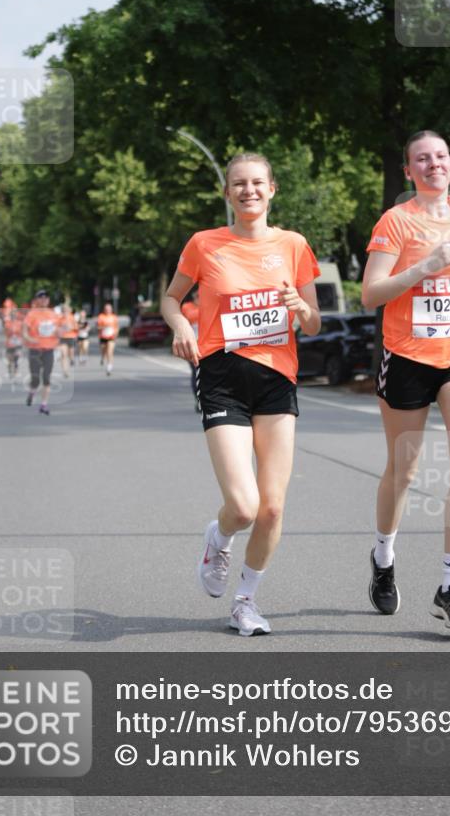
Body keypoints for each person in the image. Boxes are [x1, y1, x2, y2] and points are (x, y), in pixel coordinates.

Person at [161, 153, 321, 637]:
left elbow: (313, 324)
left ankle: (245, 602)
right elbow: (170, 298)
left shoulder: (293, 245)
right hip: (222, 377)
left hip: (277, 378)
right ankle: (220, 536)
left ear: (272, 189)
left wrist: (299, 307)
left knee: (273, 507)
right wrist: (180, 325)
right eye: (238, 184)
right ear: (227, 193)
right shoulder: (204, 244)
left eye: (257, 183)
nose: (248, 190)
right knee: (245, 506)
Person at [362, 130, 450, 631]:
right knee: (405, 469)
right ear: (409, 171)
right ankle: (382, 558)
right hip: (407, 356)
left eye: (440, 155)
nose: (433, 163)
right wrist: (424, 267)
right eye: (422, 158)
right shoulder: (395, 222)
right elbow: (371, 294)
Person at [23, 289, 60, 415]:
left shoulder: (53, 314)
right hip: (35, 350)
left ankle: (43, 405)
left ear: (49, 300)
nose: (44, 299)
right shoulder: (32, 314)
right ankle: (32, 393)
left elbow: (58, 330)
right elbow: (24, 332)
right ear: (37, 300)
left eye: (46, 297)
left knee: (46, 378)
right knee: (35, 379)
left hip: (48, 350)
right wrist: (30, 339)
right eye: (41, 297)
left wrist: (60, 333)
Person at [180, 289, 201, 412]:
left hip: (208, 346)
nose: (198, 297)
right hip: (191, 346)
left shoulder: (208, 305)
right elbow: (181, 325)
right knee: (196, 373)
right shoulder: (187, 307)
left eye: (200, 295)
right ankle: (198, 399)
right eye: (197, 295)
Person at [97, 302, 119, 375]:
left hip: (111, 337)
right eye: (106, 309)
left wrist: (116, 334)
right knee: (104, 350)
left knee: (110, 351)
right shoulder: (101, 316)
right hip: (103, 336)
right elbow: (98, 327)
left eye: (109, 309)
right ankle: (102, 358)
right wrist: (104, 327)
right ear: (104, 310)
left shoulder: (114, 317)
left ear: (111, 309)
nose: (108, 310)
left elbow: (116, 327)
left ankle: (109, 367)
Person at [58, 303, 78, 378]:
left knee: (71, 353)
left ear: (68, 311)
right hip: (63, 338)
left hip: (71, 337)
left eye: (66, 310)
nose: (65, 312)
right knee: (63, 354)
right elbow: (56, 328)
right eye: (63, 310)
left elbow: (76, 327)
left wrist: (71, 327)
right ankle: (65, 371)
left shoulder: (71, 317)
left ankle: (72, 359)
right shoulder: (59, 318)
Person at [3, 308, 24, 378]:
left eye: (14, 313)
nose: (13, 315)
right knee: (10, 359)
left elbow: (22, 332)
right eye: (12, 314)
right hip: (10, 343)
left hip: (18, 342)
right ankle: (9, 369)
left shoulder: (19, 323)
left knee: (16, 357)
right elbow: (5, 333)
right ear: (10, 315)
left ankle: (15, 370)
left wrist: (21, 339)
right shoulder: (7, 323)